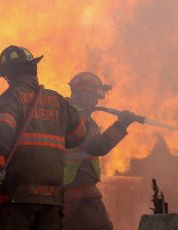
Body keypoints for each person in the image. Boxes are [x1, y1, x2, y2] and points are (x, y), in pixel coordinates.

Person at [0, 45, 88, 230]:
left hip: (17, 199)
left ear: (10, 75)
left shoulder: (11, 98)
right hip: (52, 202)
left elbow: (1, 134)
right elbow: (78, 135)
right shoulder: (59, 101)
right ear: (33, 69)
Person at [63, 72, 137, 230]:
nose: (96, 101)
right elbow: (98, 146)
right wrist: (121, 125)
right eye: (93, 96)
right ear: (82, 94)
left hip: (73, 196)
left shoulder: (68, 113)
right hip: (80, 196)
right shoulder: (76, 117)